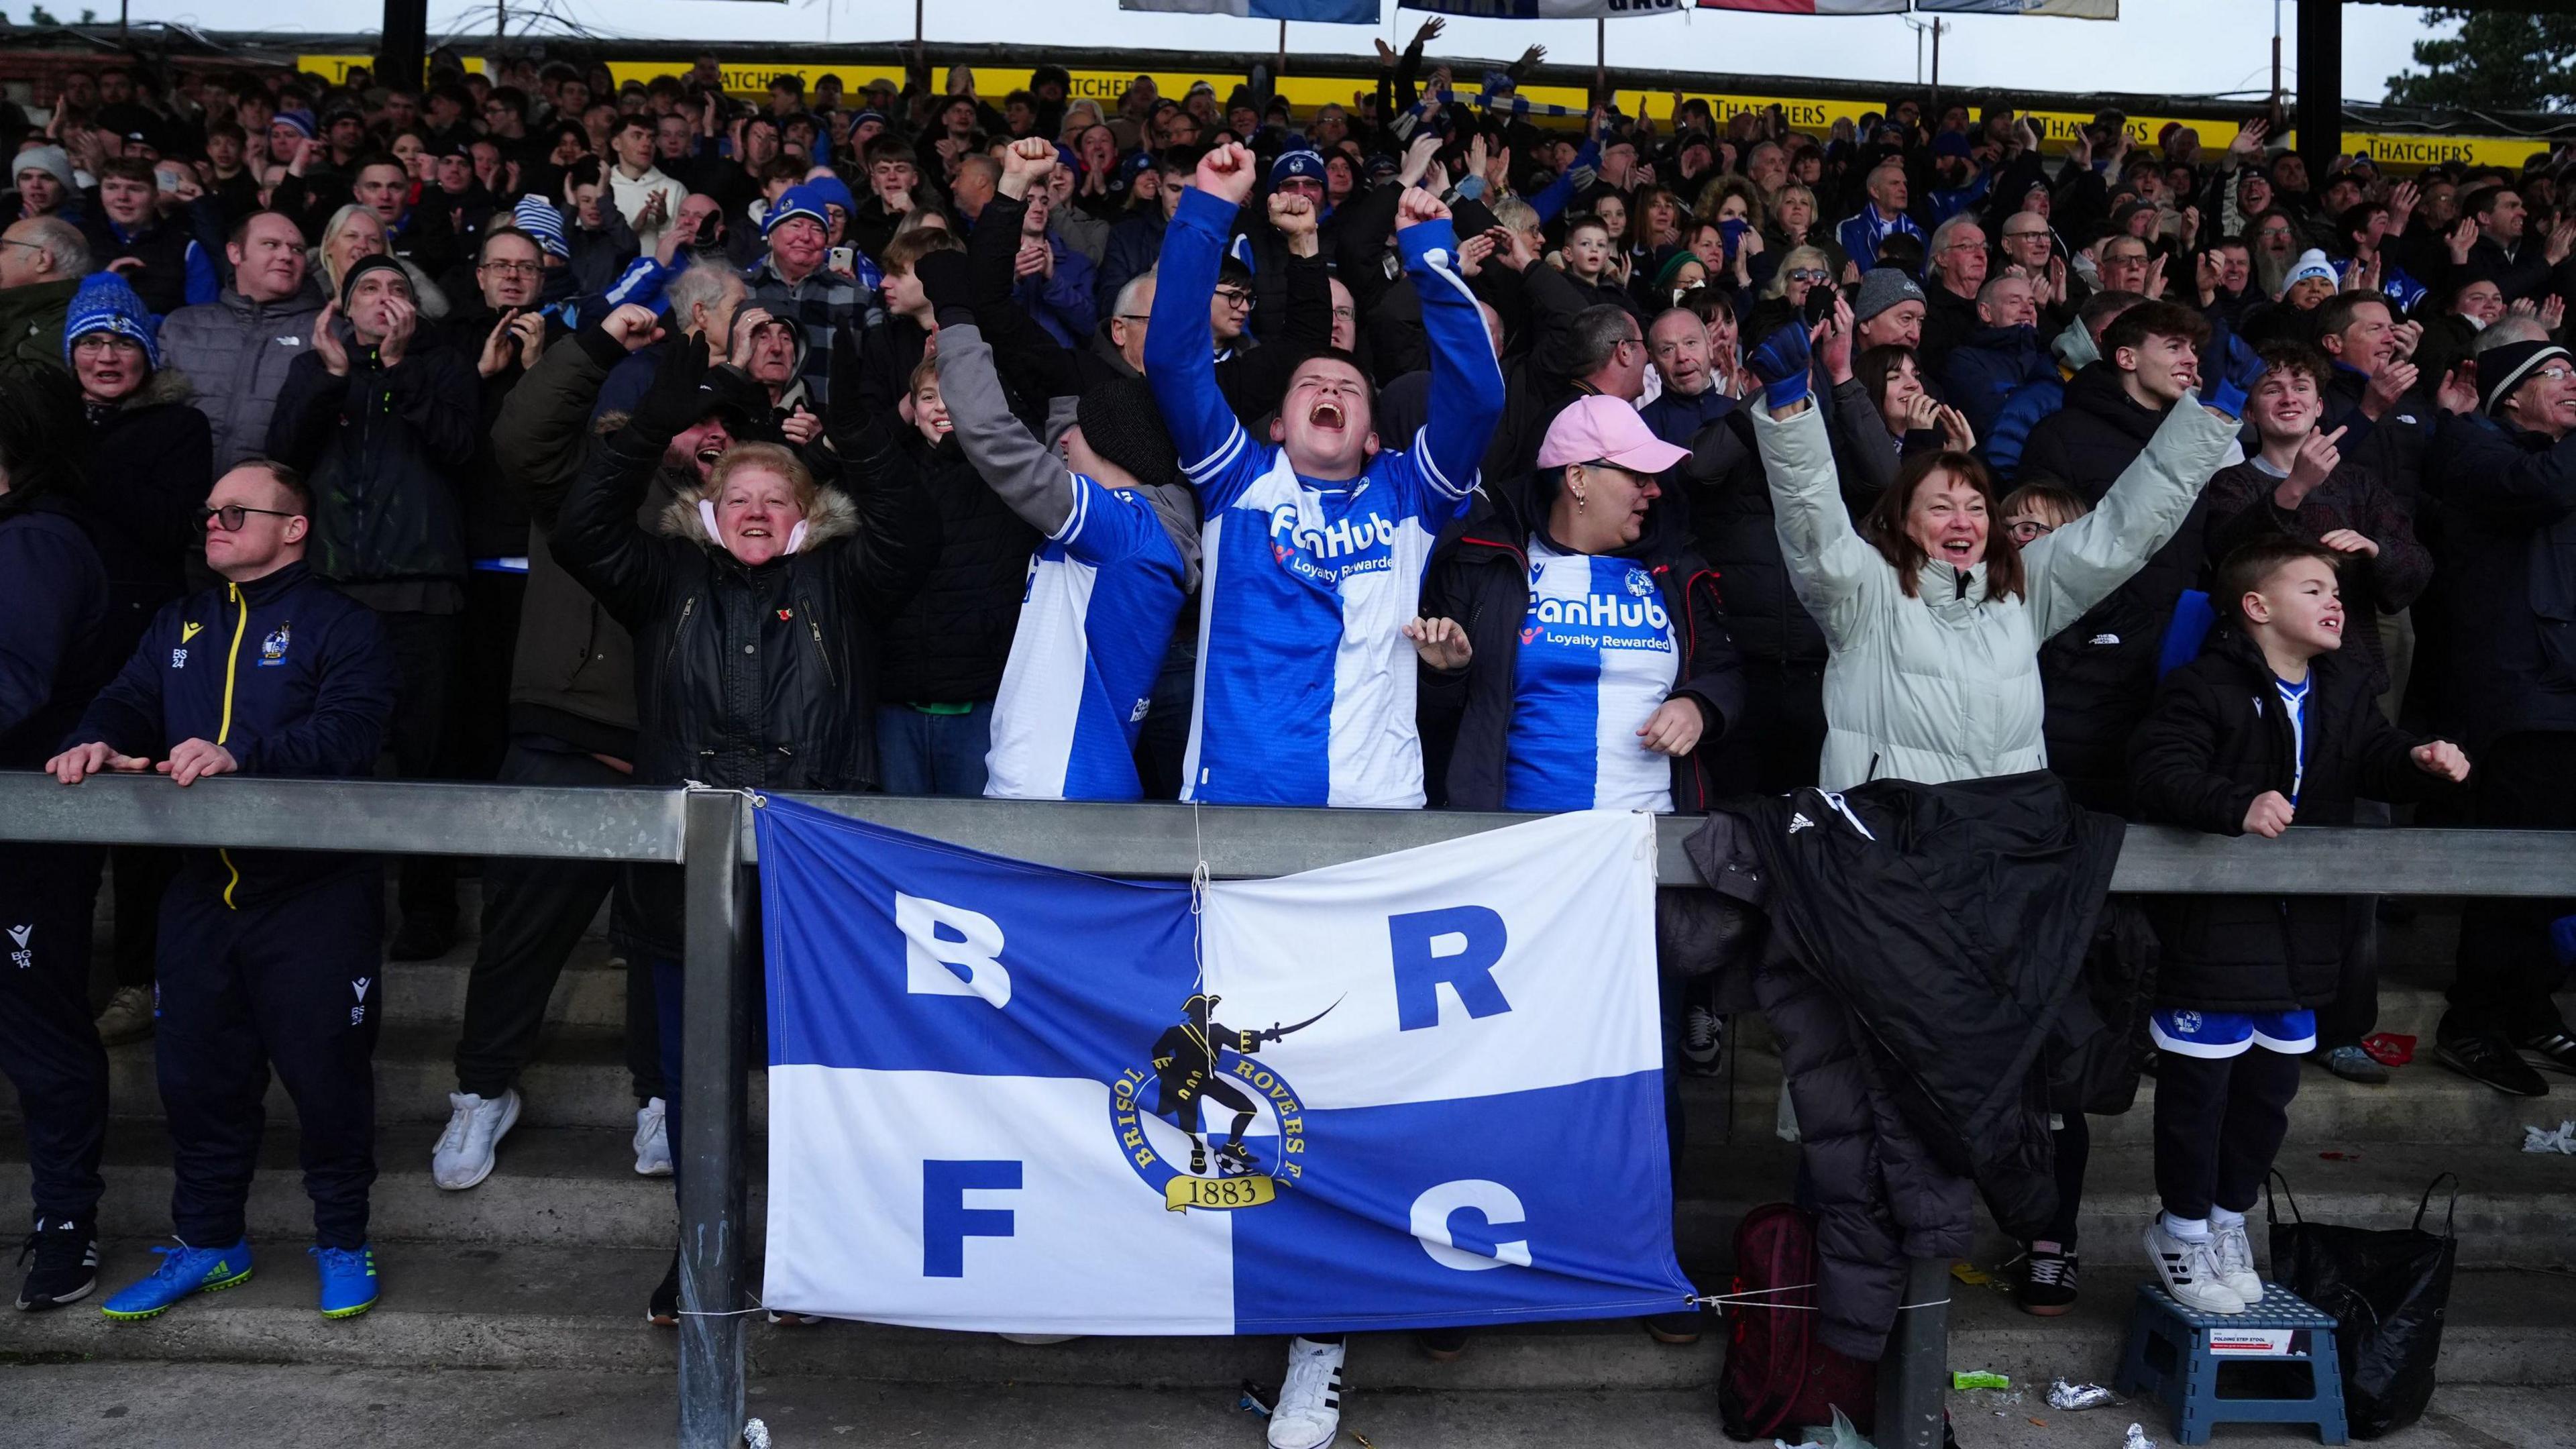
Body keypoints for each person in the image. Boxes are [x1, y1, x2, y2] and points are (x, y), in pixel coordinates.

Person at [1144, 139, 1502, 1449]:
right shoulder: (1236, 487)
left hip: (1369, 846)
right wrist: (1204, 214)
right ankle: (1234, 1288)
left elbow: (1473, 390)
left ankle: (1317, 1347)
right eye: (1311, 382)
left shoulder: (1411, 502)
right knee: (1227, 1091)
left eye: (1349, 380)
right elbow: (1176, 359)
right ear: (1281, 418)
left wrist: (1424, 250)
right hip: (1233, 839)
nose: (1333, 386)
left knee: (1340, 1093)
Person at [549, 320, 937, 1321]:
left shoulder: (845, 578)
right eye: (739, 497)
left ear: (809, 511)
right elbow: (581, 527)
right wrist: (652, 432)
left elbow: (910, 529)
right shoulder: (664, 577)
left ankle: (816, 1258)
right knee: (695, 1085)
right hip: (690, 882)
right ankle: (705, 1253)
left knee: (817, 1082)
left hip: (819, 883)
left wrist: (857, 425)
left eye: (777, 498)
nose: (757, 511)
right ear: (707, 508)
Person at [50, 458, 398, 1322]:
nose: (215, 521)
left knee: (328, 1083)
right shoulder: (180, 623)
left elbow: (352, 731)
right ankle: (210, 1243)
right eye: (209, 510)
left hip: (316, 898)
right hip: (203, 895)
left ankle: (343, 1239)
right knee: (198, 1083)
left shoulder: (342, 625)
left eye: (237, 511)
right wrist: (96, 738)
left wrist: (245, 755)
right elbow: (129, 701)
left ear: (294, 528)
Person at [2127, 537, 2469, 1312]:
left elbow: (2375, 755)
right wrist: (2233, 804)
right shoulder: (2203, 686)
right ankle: (2179, 1232)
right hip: (2213, 933)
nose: (2334, 601)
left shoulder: (2344, 687)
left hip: (2303, 935)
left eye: (2337, 592)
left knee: (2267, 1097)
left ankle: (2224, 1223)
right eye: (2313, 588)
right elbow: (2158, 770)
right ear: (2257, 607)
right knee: (2199, 1097)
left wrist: (2421, 761)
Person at [1739, 309, 2242, 790]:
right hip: (1892, 848)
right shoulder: (1866, 592)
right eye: (1940, 508)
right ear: (1902, 521)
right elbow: (1814, 528)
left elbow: (2122, 530)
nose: (1962, 522)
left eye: (1976, 508)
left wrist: (2212, 417)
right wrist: (1788, 411)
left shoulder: (2020, 588)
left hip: (2002, 844)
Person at [918, 245, 1197, 802]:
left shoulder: (1123, 531)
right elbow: (1065, 435)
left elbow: (996, 440)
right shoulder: (1141, 522)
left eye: (1078, 436)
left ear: (1117, 452)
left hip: (1056, 794)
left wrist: (955, 317)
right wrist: (1065, 388)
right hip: (1066, 787)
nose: (1062, 443)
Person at [265, 253, 479, 961]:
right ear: (342, 307)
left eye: (398, 289)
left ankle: (428, 908)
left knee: (428, 759)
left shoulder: (444, 365)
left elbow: (462, 452)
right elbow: (283, 461)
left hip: (424, 590)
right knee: (330, 755)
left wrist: (398, 371)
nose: (384, 300)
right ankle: (327, 898)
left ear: (416, 310)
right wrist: (333, 376)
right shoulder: (314, 369)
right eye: (369, 290)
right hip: (330, 594)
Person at [2416, 337, 2576, 1095]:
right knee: (2514, 861)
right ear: (2511, 394)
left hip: (2566, 689)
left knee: (2561, 870)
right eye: (2558, 374)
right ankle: (2470, 1021)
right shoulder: (2473, 450)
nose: (2575, 384)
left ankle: (2526, 1003)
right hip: (2518, 696)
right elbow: (2540, 487)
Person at [0, 366, 115, 1311]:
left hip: (32, 838)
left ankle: (66, 1227)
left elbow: (16, 684)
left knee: (41, 1034)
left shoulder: (38, 543)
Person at [160, 211, 327, 473]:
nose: (286, 255)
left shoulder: (328, 332)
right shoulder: (181, 327)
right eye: (271, 245)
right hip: (181, 498)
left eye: (297, 249)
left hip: (275, 504)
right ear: (235, 253)